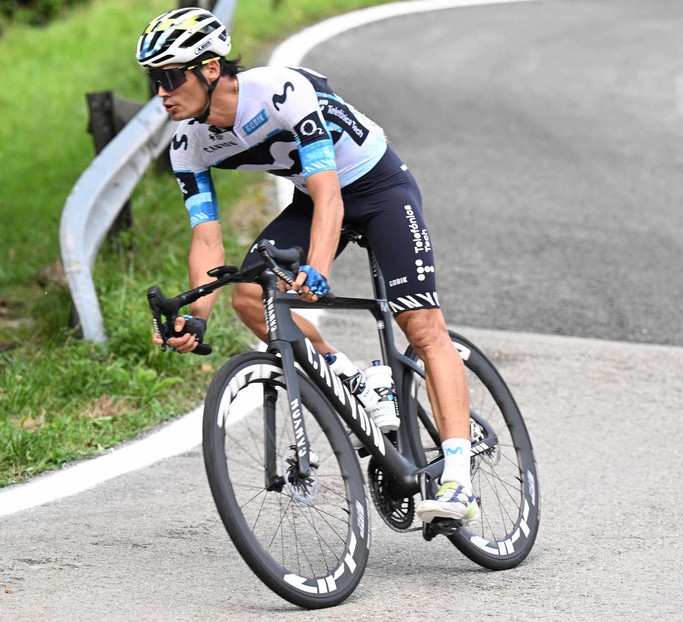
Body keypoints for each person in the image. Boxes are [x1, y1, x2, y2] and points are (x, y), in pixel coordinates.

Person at [139, 7, 476, 524]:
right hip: (314, 202)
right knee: (251, 296)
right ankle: (351, 377)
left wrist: (317, 269)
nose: (161, 92)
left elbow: (329, 191)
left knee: (423, 327)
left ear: (210, 69)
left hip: (377, 188)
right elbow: (207, 240)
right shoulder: (189, 143)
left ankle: (457, 478)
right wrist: (196, 316)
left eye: (169, 77)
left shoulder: (280, 92)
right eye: (153, 80)